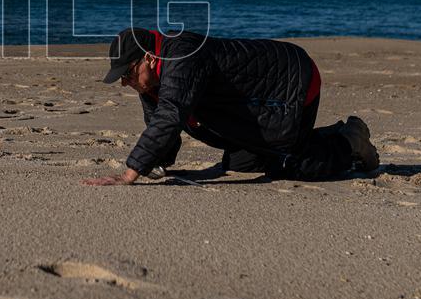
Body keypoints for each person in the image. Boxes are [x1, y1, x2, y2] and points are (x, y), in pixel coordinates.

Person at [82, 28, 379, 186]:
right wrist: (156, 164)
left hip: (290, 83)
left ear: (148, 58)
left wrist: (130, 172)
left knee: (288, 164)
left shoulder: (181, 57)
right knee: (240, 165)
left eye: (127, 74)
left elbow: (172, 114)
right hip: (256, 99)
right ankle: (332, 134)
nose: (125, 83)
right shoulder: (150, 80)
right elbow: (161, 122)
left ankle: (349, 142)